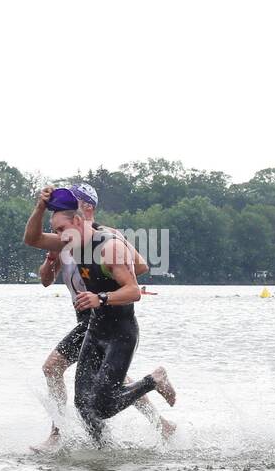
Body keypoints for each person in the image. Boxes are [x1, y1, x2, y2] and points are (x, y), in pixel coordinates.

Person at [24, 186, 175, 444]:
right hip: (88, 318)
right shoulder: (66, 238)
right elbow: (45, 277)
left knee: (54, 368)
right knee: (110, 382)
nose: (64, 206)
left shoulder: (106, 237)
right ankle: (158, 424)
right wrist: (53, 257)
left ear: (87, 209)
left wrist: (106, 282)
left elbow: (140, 266)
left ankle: (57, 432)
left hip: (102, 313)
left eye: (74, 202)